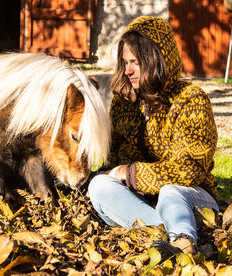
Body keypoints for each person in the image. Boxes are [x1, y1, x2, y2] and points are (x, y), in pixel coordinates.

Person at [88, 16, 219, 257]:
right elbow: (114, 157)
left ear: (156, 59)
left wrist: (130, 173)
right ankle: (165, 239)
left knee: (170, 192)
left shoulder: (191, 99)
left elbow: (189, 170)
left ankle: (182, 240)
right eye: (125, 62)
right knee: (98, 186)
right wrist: (102, 173)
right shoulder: (123, 101)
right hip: (142, 199)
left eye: (135, 62)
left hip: (191, 196)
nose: (127, 71)